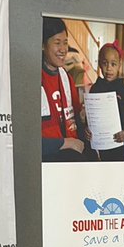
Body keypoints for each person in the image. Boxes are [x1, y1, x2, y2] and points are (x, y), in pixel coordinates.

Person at [40, 17, 88, 162]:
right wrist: (66, 143)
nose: (63, 49)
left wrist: (85, 119)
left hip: (72, 144)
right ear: (43, 45)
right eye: (57, 43)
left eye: (65, 43)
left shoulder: (66, 78)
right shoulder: (33, 79)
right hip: (51, 151)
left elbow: (76, 118)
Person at [87, 42, 124, 161]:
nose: (109, 68)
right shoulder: (95, 89)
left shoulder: (123, 90)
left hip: (119, 140)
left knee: (118, 166)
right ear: (99, 64)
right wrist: (87, 128)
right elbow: (91, 115)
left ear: (119, 65)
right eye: (105, 63)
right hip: (99, 141)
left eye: (113, 64)